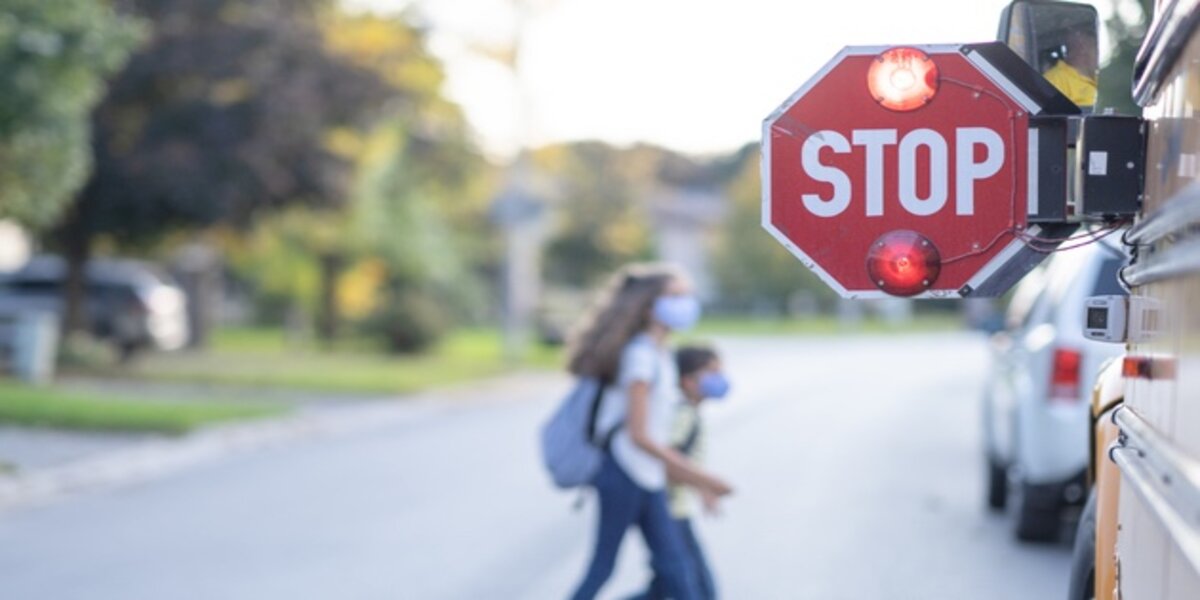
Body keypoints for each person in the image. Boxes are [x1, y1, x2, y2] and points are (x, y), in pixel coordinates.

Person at [567, 264, 733, 600]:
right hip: (624, 473)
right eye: (675, 296)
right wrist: (700, 478)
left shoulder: (658, 353)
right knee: (604, 567)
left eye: (686, 295)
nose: (685, 303)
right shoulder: (640, 356)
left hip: (647, 476)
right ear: (648, 306)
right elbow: (639, 435)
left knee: (677, 573)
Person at [632, 345, 731, 600]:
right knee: (698, 590)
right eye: (712, 372)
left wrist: (701, 488)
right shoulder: (683, 414)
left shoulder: (687, 412)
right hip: (669, 513)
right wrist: (707, 483)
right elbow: (668, 464)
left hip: (673, 512)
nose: (720, 378)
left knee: (664, 588)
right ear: (687, 381)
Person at [1042, 26, 1098, 107]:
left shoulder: (1100, 79)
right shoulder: (1054, 81)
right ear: (1082, 48)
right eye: (1095, 47)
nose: (1098, 55)